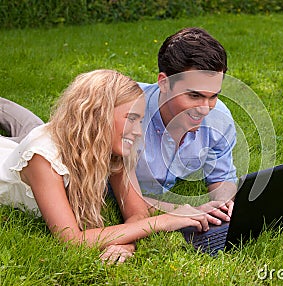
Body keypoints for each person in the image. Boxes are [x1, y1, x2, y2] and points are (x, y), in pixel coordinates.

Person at [0, 70, 209, 264]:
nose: (137, 131)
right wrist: (163, 221)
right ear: (98, 116)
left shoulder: (109, 146)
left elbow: (136, 212)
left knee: (27, 126)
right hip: (12, 156)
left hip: (46, 138)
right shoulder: (42, 158)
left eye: (140, 121)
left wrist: (125, 243)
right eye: (132, 119)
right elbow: (71, 240)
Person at [136, 27, 238, 224]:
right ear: (164, 83)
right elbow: (117, 195)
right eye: (194, 95)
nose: (204, 109)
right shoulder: (126, 115)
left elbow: (222, 176)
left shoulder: (219, 119)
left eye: (213, 96)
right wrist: (180, 210)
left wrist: (223, 204)